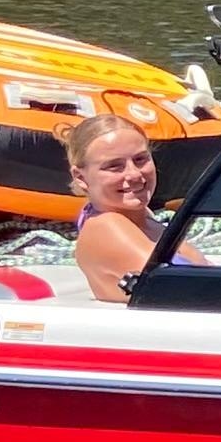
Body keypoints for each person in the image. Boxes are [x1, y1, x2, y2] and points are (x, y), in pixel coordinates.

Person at [63, 112, 167, 305]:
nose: (134, 174)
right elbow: (177, 288)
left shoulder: (145, 220)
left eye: (140, 159)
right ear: (81, 178)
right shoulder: (105, 227)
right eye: (114, 166)